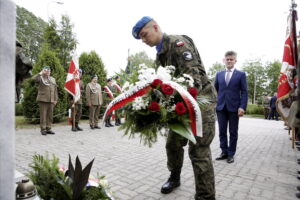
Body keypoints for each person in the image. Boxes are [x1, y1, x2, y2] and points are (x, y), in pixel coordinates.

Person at [132, 16, 217, 200]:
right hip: (180, 106)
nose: (143, 40)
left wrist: (171, 98)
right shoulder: (160, 54)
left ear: (155, 27)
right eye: (140, 38)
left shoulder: (178, 44)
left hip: (200, 104)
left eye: (144, 35)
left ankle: (205, 196)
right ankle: (175, 177)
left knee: (198, 152)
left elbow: (193, 77)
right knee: (173, 144)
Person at [214, 51, 248, 164]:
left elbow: (244, 92)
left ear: (235, 61)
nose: (229, 61)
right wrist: (214, 104)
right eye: (227, 59)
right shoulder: (218, 74)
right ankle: (224, 152)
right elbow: (215, 91)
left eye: (231, 59)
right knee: (222, 131)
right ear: (224, 60)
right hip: (221, 108)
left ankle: (231, 154)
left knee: (233, 132)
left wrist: (242, 107)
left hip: (234, 108)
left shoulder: (241, 75)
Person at [32, 66, 58, 135]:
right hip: (43, 99)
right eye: (46, 70)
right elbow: (33, 79)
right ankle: (43, 129)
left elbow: (55, 90)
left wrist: (55, 99)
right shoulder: (40, 78)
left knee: (50, 115)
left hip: (51, 100)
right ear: (43, 71)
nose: (47, 72)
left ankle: (48, 128)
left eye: (49, 71)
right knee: (43, 115)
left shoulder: (53, 79)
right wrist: (40, 73)